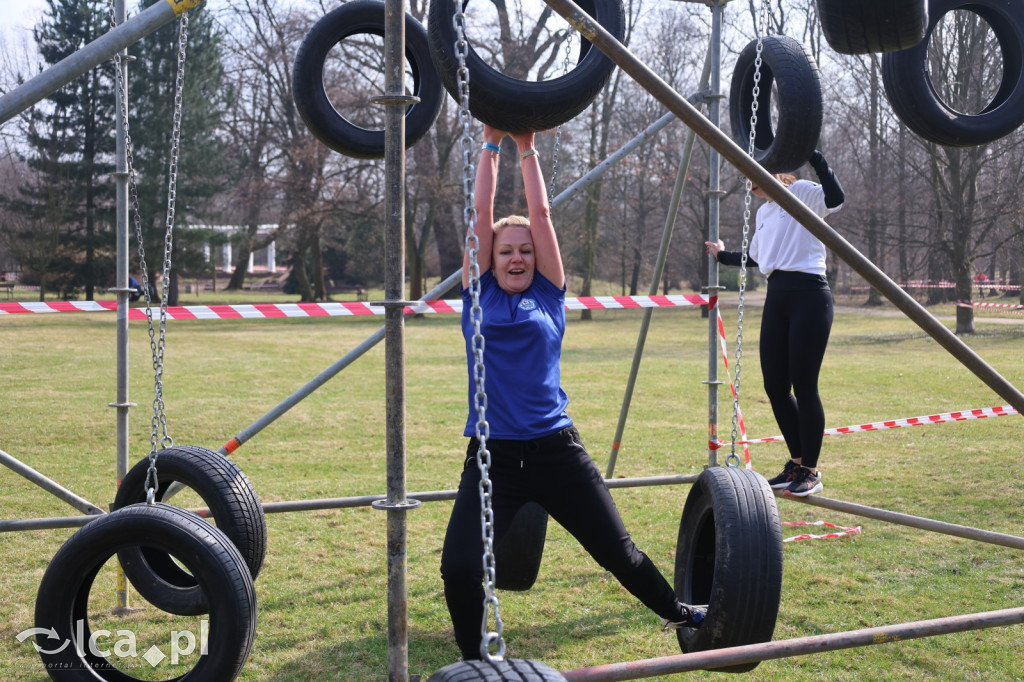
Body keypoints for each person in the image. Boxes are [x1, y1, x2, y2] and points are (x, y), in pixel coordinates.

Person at [439, 125, 705, 662]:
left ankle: (681, 613)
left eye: (525, 253)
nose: (516, 258)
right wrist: (489, 144)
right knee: (460, 567)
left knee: (619, 555)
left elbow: (540, 217)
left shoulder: (550, 295)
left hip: (556, 449)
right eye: (505, 251)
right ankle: (474, 664)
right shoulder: (478, 293)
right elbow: (479, 213)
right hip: (492, 458)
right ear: (490, 257)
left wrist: (526, 148)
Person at [706, 150, 845, 497]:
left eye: (753, 173)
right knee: (775, 386)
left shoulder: (803, 192)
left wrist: (814, 156)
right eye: (746, 177)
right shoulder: (765, 212)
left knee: (804, 385)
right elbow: (755, 257)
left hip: (810, 295)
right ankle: (797, 463)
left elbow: (837, 198)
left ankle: (811, 471)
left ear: (775, 172)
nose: (749, 182)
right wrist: (722, 254)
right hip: (777, 296)